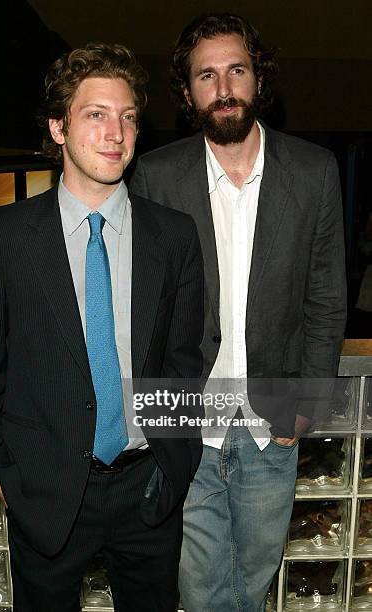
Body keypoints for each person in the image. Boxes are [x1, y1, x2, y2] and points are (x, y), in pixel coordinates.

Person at [0, 42, 204, 612]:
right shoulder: (6, 236)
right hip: (43, 491)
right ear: (59, 128)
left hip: (149, 487)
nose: (115, 132)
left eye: (128, 116)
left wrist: (177, 460)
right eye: (96, 114)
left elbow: (183, 360)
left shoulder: (173, 236)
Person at [131, 13, 346, 612]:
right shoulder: (157, 175)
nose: (223, 88)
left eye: (236, 71)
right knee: (199, 591)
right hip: (186, 420)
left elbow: (326, 299)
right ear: (188, 92)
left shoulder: (312, 172)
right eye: (206, 75)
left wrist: (307, 405)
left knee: (252, 584)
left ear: (258, 79)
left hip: (272, 421)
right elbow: (144, 306)